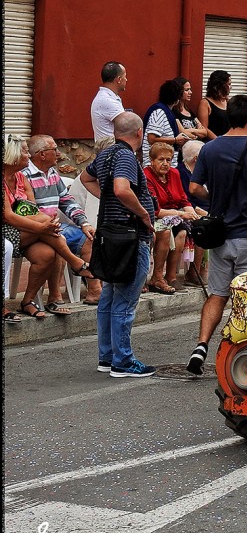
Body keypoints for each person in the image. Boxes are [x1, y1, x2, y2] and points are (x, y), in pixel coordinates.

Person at [185, 95, 247, 375]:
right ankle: (238, 353)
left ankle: (201, 345)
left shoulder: (210, 149)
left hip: (220, 236)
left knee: (217, 293)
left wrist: (215, 198)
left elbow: (194, 189)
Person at [79, 113, 157, 377]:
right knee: (124, 299)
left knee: (110, 297)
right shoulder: (125, 156)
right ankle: (122, 361)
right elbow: (123, 188)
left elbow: (85, 178)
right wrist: (143, 214)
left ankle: (107, 356)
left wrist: (108, 196)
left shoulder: (106, 154)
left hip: (111, 234)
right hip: (130, 236)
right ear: (139, 133)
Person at [4, 135, 98, 320]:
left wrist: (82, 222)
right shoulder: (23, 175)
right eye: (24, 152)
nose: (28, 155)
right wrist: (45, 226)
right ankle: (74, 265)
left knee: (50, 252)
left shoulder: (25, 177)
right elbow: (9, 216)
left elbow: (37, 208)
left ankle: (28, 300)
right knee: (57, 237)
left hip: (37, 228)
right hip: (13, 231)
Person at [144, 142, 205, 294]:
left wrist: (192, 214)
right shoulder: (146, 175)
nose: (165, 163)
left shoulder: (174, 174)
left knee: (196, 227)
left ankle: (178, 274)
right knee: (171, 230)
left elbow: (183, 200)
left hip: (176, 216)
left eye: (169, 160)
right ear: (152, 160)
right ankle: (159, 276)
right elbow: (155, 210)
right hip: (155, 217)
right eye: (161, 159)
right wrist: (181, 214)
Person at [178, 139, 209, 286]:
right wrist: (202, 212)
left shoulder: (204, 172)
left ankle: (204, 270)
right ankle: (193, 271)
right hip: (190, 210)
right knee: (204, 226)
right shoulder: (182, 173)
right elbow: (185, 200)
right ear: (197, 158)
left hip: (205, 209)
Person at [142, 78, 191, 167]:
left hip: (165, 164)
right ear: (177, 97)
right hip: (156, 166)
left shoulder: (166, 111)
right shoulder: (159, 112)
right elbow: (151, 139)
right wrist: (175, 140)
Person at [90, 62, 127, 142]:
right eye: (125, 76)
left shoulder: (107, 97)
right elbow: (126, 126)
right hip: (111, 152)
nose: (126, 79)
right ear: (119, 79)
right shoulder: (107, 100)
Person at [172, 77, 209, 146]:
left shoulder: (189, 111)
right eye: (187, 90)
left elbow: (204, 132)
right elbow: (182, 132)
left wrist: (191, 130)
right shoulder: (174, 111)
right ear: (179, 91)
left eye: (190, 89)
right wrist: (197, 134)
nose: (190, 92)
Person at [197, 70, 232, 139]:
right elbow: (204, 128)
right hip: (213, 142)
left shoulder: (228, 102)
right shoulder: (205, 103)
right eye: (229, 84)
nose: (230, 87)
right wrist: (218, 141)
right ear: (221, 86)